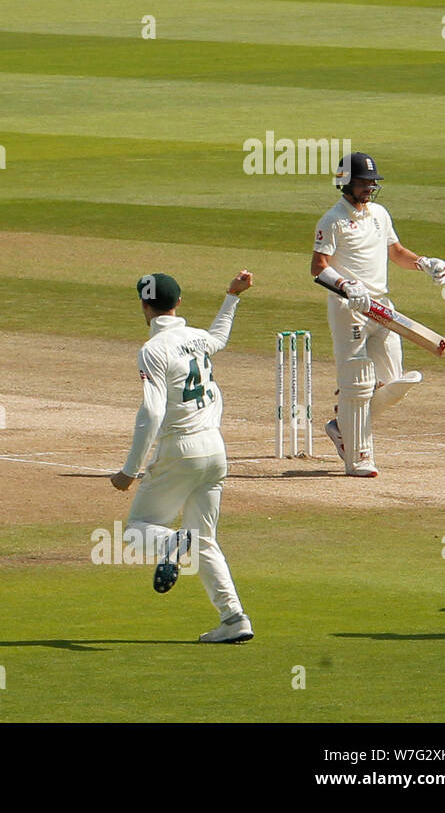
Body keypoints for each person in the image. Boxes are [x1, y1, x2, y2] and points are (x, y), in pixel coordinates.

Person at [110, 271, 255, 644]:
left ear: (145, 306)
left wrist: (130, 471)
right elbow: (219, 337)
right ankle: (234, 617)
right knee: (204, 539)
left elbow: (152, 414)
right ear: (178, 303)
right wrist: (231, 295)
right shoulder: (195, 338)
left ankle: (173, 544)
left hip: (181, 449)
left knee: (135, 531)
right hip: (215, 450)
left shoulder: (153, 350)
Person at [311, 152, 445, 477]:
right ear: (345, 182)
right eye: (363, 183)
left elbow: (396, 252)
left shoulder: (380, 214)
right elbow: (318, 267)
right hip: (351, 309)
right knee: (356, 384)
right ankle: (358, 458)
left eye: (372, 183)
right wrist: (345, 285)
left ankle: (341, 426)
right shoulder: (332, 220)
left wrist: (424, 263)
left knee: (393, 383)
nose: (369, 188)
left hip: (382, 307)